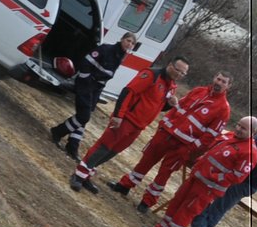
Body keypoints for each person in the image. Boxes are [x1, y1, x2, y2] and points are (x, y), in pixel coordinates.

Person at [112, 71, 232, 211]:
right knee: (145, 161)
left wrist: (191, 148)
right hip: (166, 134)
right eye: (218, 79)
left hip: (182, 145)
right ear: (214, 78)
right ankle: (125, 185)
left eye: (224, 82)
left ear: (229, 86)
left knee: (164, 174)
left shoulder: (223, 109)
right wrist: (164, 124)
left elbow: (211, 135)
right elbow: (178, 108)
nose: (219, 83)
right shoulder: (198, 91)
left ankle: (147, 202)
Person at [69, 57, 189, 193]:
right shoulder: (152, 75)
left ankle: (87, 174)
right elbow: (128, 92)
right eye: (178, 70)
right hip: (127, 119)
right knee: (104, 147)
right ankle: (78, 176)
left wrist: (169, 104)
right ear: (170, 65)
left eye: (183, 73)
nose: (179, 74)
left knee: (112, 151)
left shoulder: (171, 87)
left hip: (138, 126)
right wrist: (118, 115)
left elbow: (157, 106)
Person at [143, 115, 257, 227]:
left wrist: (214, 177)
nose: (238, 129)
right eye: (238, 125)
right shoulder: (230, 136)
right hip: (197, 177)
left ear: (253, 133)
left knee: (186, 211)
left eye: (243, 128)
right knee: (177, 202)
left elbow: (237, 176)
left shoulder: (250, 152)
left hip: (208, 187)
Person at [178, 111, 257, 227]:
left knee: (217, 206)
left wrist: (234, 175)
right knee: (207, 200)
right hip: (239, 177)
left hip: (245, 182)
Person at [49, 33, 138, 160]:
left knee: (84, 117)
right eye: (128, 40)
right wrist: (85, 80)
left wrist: (97, 91)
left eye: (132, 43)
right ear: (122, 39)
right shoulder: (106, 49)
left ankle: (72, 146)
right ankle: (58, 131)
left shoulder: (119, 57)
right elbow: (87, 62)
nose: (129, 44)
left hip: (96, 89)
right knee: (84, 116)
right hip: (86, 84)